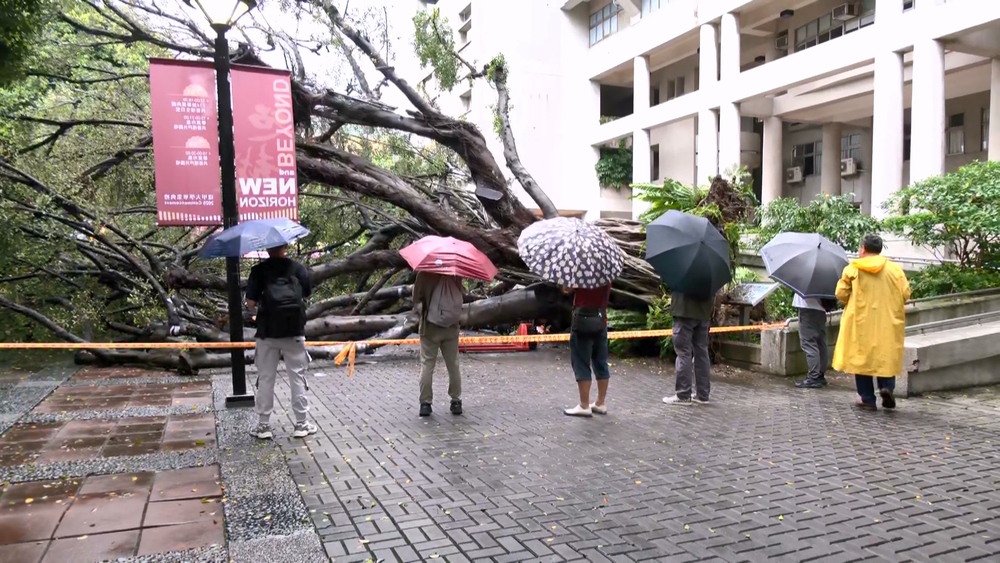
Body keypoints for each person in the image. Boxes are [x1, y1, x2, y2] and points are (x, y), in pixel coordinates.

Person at [244, 244, 317, 439]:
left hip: (267, 333)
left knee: (266, 378)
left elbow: (250, 303)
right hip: (294, 331)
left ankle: (263, 426)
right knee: (297, 377)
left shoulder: (259, 270)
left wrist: (256, 305)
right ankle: (302, 424)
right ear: (285, 246)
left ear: (267, 248)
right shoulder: (298, 268)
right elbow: (307, 293)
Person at [832, 235, 911, 411]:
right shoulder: (895, 270)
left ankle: (867, 398)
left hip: (859, 321)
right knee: (885, 356)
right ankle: (886, 388)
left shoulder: (853, 269)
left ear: (863, 249)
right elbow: (905, 294)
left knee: (861, 358)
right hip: (887, 322)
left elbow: (841, 294)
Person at [414, 271, 464, 417]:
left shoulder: (424, 274)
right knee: (453, 365)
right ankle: (456, 401)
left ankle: (425, 404)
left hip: (429, 327)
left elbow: (416, 299)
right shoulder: (455, 272)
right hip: (451, 327)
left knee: (427, 365)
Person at [562, 284, 612, 417]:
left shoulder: (582, 272)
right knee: (601, 361)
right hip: (601, 319)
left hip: (583, 320)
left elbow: (566, 289)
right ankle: (600, 403)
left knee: (581, 362)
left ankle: (584, 405)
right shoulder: (607, 271)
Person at [663, 290, 715, 405]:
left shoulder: (683, 272)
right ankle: (703, 395)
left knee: (683, 352)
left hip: (684, 311)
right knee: (701, 352)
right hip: (703, 312)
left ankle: (683, 395)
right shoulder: (709, 272)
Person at [794, 294, 830, 389]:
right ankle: (820, 375)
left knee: (809, 343)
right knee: (820, 343)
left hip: (808, 309)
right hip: (820, 310)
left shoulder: (806, 279)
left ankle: (813, 377)